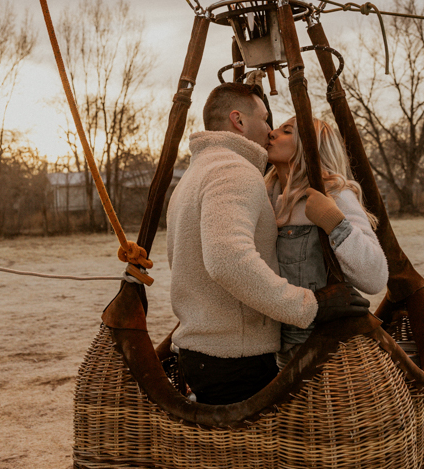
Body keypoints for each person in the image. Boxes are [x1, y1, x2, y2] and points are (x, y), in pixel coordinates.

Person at [166, 83, 369, 405]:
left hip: (205, 349)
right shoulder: (234, 171)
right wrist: (310, 306)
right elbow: (228, 261)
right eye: (264, 118)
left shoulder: (196, 173)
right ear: (239, 121)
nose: (270, 130)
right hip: (235, 354)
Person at [266, 116, 388, 368]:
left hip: (327, 353)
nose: (272, 133)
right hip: (280, 352)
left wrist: (334, 223)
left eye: (286, 131)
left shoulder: (334, 194)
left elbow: (375, 277)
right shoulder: (266, 197)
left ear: (311, 147)